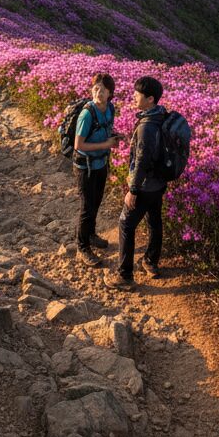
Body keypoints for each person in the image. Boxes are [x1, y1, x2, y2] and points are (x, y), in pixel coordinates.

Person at [108, 75, 167, 289]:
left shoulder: (147, 126)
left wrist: (133, 189)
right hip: (159, 182)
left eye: (137, 94)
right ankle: (151, 261)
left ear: (150, 99)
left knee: (125, 224)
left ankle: (124, 276)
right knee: (154, 221)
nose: (133, 96)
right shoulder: (161, 115)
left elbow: (142, 160)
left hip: (144, 185)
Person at [73, 72, 120, 268]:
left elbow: (106, 131)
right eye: (95, 88)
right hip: (85, 167)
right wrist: (105, 144)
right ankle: (82, 247)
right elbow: (78, 145)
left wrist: (116, 138)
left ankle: (91, 235)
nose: (97, 91)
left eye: (102, 89)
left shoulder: (110, 108)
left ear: (110, 93)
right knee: (86, 207)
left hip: (101, 163)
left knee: (96, 202)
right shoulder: (87, 114)